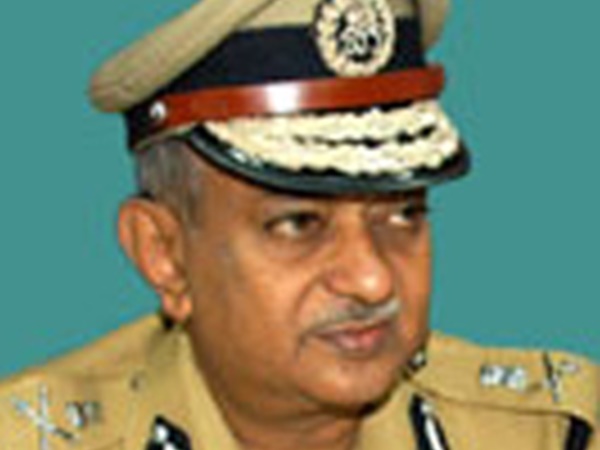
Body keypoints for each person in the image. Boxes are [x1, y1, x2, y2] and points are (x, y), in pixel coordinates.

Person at [0, 0, 597, 449]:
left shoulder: (547, 433)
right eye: (299, 224)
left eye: (403, 215)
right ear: (165, 254)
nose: (372, 281)